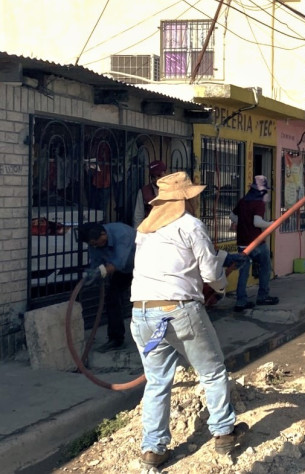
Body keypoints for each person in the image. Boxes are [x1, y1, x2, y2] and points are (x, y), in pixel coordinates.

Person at [130, 171, 247, 469]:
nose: (195, 202)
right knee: (212, 371)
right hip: (178, 309)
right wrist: (221, 284)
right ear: (184, 200)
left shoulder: (144, 229)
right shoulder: (190, 225)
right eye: (192, 198)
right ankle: (223, 432)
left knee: (157, 381)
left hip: (143, 313)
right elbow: (209, 274)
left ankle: (153, 449)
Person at [77, 221, 136, 352]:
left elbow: (119, 262)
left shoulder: (122, 234)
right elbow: (96, 263)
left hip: (142, 266)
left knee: (144, 301)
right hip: (124, 271)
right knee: (112, 298)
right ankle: (116, 339)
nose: (96, 246)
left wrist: (101, 271)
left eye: (97, 243)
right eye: (93, 245)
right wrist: (92, 274)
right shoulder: (94, 242)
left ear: (103, 234)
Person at [230, 175, 279, 312]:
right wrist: (271, 224)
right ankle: (263, 296)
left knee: (243, 272)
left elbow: (232, 216)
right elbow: (257, 222)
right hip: (256, 243)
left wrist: (242, 223)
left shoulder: (243, 201)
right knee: (265, 267)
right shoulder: (259, 203)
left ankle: (241, 301)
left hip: (242, 243)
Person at [133, 159, 167, 229]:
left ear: (165, 173)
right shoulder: (143, 192)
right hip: (152, 231)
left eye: (159, 175)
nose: (156, 179)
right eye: (153, 177)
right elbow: (138, 217)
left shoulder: (173, 189)